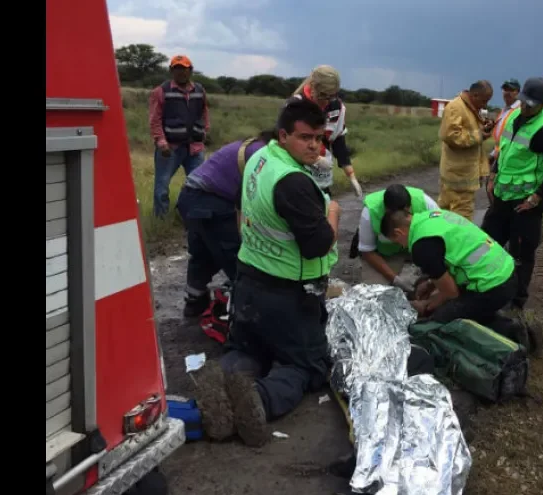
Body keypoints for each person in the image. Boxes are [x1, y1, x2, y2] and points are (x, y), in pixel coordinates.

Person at [192, 98, 342, 448]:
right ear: (284, 134)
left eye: (319, 139)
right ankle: (257, 399)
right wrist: (332, 212)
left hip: (248, 283)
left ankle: (224, 381)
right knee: (306, 366)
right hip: (287, 294)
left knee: (249, 347)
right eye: (305, 137)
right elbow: (317, 244)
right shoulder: (293, 182)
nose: (314, 146)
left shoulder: (261, 158)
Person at [380, 208, 532, 350]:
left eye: (397, 243)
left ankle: (511, 331)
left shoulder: (421, 246)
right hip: (505, 269)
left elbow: (451, 294)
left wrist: (429, 304)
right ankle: (496, 320)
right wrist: (431, 283)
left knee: (439, 322)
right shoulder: (432, 216)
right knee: (462, 307)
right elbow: (448, 256)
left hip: (494, 285)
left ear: (398, 233)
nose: (401, 246)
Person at [483, 77, 543, 313]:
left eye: (532, 104)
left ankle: (515, 303)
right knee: (487, 242)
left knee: (521, 253)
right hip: (502, 197)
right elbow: (505, 150)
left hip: (525, 205)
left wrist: (538, 196)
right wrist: (493, 174)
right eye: (524, 102)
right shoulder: (514, 118)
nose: (526, 108)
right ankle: (483, 284)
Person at [175, 131, 273, 317]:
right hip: (209, 201)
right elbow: (251, 198)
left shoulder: (253, 144)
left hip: (190, 197)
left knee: (204, 253)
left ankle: (195, 300)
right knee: (237, 255)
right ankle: (251, 313)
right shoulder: (264, 154)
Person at [280, 65, 362, 198]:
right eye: (322, 96)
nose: (326, 102)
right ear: (313, 87)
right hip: (297, 177)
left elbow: (338, 141)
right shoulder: (295, 105)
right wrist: (316, 158)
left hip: (323, 179)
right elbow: (283, 144)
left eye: (331, 97)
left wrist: (351, 175)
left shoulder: (337, 107)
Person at [148, 54, 210, 218]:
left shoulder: (199, 90)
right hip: (170, 148)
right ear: (171, 70)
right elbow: (155, 119)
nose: (180, 73)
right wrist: (161, 142)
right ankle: (161, 219)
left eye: (184, 69)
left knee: (198, 185)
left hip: (194, 147)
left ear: (191, 70)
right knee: (162, 185)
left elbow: (204, 114)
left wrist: (204, 133)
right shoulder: (161, 91)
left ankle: (191, 216)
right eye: (177, 69)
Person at [357, 184, 440, 291]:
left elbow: (441, 242)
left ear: (409, 207)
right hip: (385, 255)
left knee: (438, 287)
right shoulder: (370, 213)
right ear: (386, 209)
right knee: (375, 291)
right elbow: (367, 251)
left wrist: (431, 278)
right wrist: (395, 279)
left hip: (421, 248)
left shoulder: (426, 204)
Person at [437, 80, 494, 220]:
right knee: (461, 219)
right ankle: (454, 241)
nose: (485, 105)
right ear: (474, 95)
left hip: (461, 174)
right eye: (484, 100)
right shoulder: (456, 107)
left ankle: (443, 240)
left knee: (446, 215)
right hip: (459, 177)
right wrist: (479, 135)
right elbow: (451, 136)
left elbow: (468, 132)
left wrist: (482, 130)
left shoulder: (469, 108)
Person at [489, 79, 522, 164]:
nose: (507, 92)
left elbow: (523, 140)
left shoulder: (521, 110)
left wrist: (500, 151)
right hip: (498, 154)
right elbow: (501, 131)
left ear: (518, 92)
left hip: (509, 157)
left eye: (511, 90)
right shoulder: (504, 110)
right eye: (505, 89)